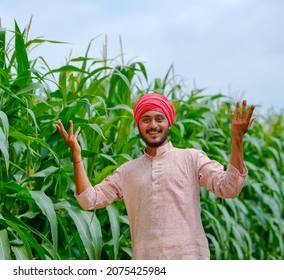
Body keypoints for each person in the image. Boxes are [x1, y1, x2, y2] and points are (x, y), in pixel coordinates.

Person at [55, 93, 255, 260]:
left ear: (169, 123)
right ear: (138, 124)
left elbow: (229, 188)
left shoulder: (191, 159)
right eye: (146, 119)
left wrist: (237, 139)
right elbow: (89, 200)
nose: (153, 125)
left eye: (159, 119)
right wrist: (76, 156)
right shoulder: (127, 172)